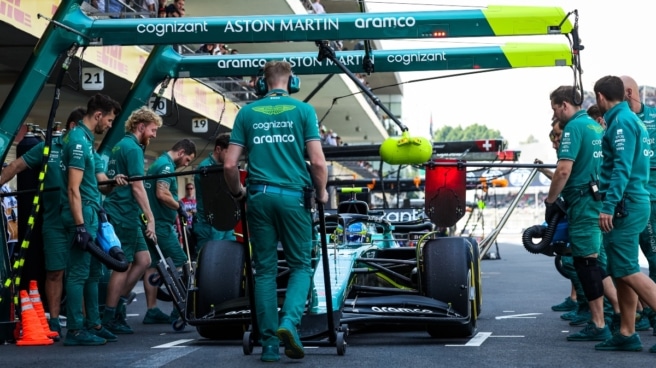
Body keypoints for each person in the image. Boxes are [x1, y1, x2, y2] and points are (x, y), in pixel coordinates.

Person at [224, 60, 328, 362]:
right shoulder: (303, 111)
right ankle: (288, 323)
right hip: (293, 197)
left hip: (258, 196)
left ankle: (269, 345)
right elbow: (318, 163)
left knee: (265, 271)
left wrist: (237, 192)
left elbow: (230, 165)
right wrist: (321, 192)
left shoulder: (246, 112)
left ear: (260, 83)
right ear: (292, 82)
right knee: (300, 267)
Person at [0, 108, 86, 339]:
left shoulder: (86, 148)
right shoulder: (48, 148)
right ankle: (55, 322)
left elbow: (99, 182)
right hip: (53, 220)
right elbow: (16, 166)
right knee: (54, 271)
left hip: (81, 219)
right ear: (73, 127)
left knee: (81, 273)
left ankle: (86, 323)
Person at [544, 85, 619, 342]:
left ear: (564, 105)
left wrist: (550, 200)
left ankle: (599, 324)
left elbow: (563, 170)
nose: (555, 113)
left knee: (586, 264)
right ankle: (619, 312)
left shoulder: (573, 128)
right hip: (598, 198)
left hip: (584, 202)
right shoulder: (595, 126)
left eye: (555, 108)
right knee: (597, 264)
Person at [593, 75, 656, 352]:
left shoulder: (621, 122)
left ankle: (628, 331)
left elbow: (621, 168)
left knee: (628, 270)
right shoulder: (631, 119)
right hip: (632, 201)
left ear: (599, 97)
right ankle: (627, 331)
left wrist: (608, 205)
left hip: (625, 204)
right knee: (621, 270)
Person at [60, 94, 123, 346]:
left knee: (93, 273)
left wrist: (114, 183)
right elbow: (73, 189)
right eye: (108, 119)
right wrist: (80, 226)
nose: (109, 124)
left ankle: (93, 323)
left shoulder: (87, 141)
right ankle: (74, 330)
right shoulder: (77, 140)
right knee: (77, 273)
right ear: (98, 115)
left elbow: (99, 184)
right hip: (81, 213)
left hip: (92, 211)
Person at [101, 106, 161, 335]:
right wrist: (151, 218)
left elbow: (109, 186)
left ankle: (117, 306)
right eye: (153, 130)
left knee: (144, 259)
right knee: (121, 266)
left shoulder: (119, 146)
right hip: (123, 213)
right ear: (141, 126)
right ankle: (110, 316)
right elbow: (137, 187)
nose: (154, 135)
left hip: (125, 213)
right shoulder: (133, 149)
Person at [143, 139, 196, 324]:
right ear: (181, 152)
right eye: (187, 159)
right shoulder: (166, 166)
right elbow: (162, 193)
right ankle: (178, 311)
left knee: (152, 265)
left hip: (152, 223)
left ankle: (151, 310)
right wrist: (179, 205)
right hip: (161, 226)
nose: (186, 164)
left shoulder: (158, 162)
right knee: (181, 263)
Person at [621, 75, 656, 331]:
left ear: (629, 92)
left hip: (649, 202)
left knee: (653, 261)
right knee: (625, 264)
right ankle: (634, 320)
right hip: (630, 203)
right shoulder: (618, 121)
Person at [192, 133, 235, 255]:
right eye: (228, 152)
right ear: (218, 149)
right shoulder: (206, 167)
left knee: (230, 258)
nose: (232, 156)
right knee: (209, 262)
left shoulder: (224, 166)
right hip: (210, 225)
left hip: (225, 222)